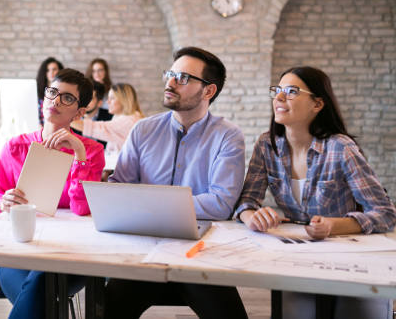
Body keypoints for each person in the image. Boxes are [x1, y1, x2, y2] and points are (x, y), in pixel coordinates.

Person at [235, 66, 396, 319]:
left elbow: (386, 214)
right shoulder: (267, 145)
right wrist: (251, 216)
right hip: (298, 255)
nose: (279, 97)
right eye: (277, 91)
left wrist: (334, 225)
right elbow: (246, 201)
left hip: (352, 258)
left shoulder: (341, 148)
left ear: (317, 104)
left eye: (291, 91)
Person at [104, 47, 248, 319]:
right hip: (143, 252)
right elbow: (118, 191)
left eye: (182, 78)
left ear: (208, 91)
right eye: (170, 74)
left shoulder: (228, 136)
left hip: (200, 254)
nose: (170, 83)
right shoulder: (143, 130)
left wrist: (149, 202)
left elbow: (220, 204)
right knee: (106, 311)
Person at [0, 68, 105, 319]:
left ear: (80, 112)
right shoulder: (15, 147)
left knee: (40, 283)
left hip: (71, 252)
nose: (56, 101)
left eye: (67, 98)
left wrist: (79, 157)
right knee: (38, 291)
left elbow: (81, 209)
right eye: (52, 92)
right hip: (19, 248)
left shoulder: (91, 151)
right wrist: (3, 203)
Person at [71, 82, 144, 152]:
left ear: (124, 100)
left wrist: (65, 118)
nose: (107, 102)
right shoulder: (119, 117)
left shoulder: (130, 120)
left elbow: (97, 128)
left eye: (112, 98)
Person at [36, 57, 63, 125]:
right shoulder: (37, 90)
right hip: (39, 128)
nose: (51, 72)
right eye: (48, 70)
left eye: (54, 69)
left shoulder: (64, 90)